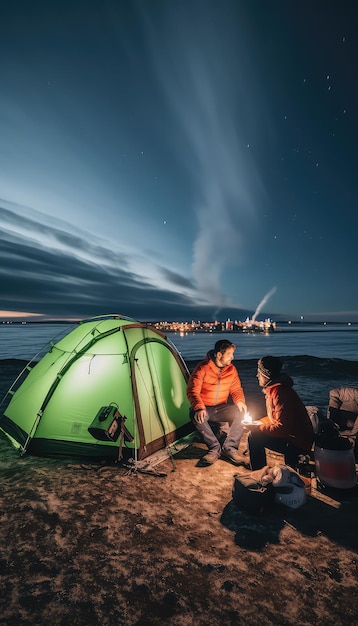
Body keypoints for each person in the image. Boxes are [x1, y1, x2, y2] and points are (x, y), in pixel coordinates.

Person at [186, 339, 247, 465]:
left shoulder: (231, 370)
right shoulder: (202, 368)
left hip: (221, 408)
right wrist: (199, 407)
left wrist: (240, 401)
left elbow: (236, 389)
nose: (232, 357)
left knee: (241, 412)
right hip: (205, 409)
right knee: (195, 415)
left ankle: (230, 448)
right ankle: (214, 449)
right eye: (229, 354)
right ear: (219, 355)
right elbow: (192, 390)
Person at [248, 356, 314, 470]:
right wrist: (258, 422)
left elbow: (283, 429)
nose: (257, 376)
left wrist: (259, 428)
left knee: (254, 436)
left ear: (265, 374)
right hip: (293, 437)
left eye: (258, 372)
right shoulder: (274, 390)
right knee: (256, 431)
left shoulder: (280, 393)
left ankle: (259, 474)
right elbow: (275, 418)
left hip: (298, 442)